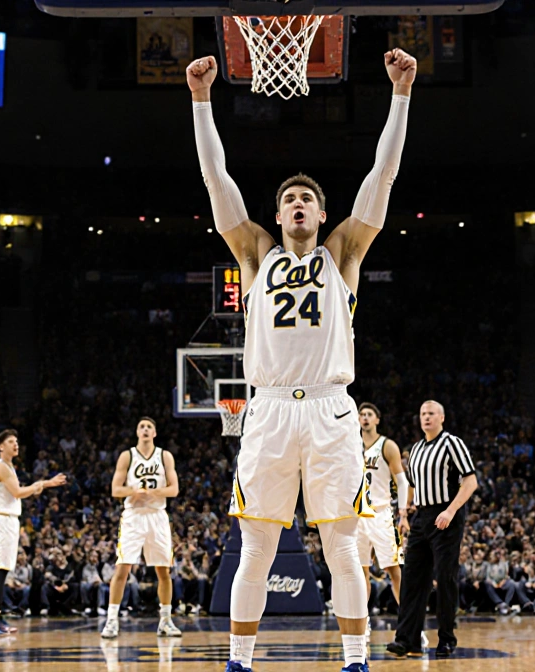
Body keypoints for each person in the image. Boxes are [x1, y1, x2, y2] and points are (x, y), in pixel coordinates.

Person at [187, 45, 417, 672]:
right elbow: (217, 182)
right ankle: (239, 661)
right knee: (255, 546)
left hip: (329, 409)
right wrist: (201, 103)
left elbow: (382, 178)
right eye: (287, 197)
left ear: (320, 214)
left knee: (343, 547)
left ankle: (355, 661)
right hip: (266, 411)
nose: (295, 204)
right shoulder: (256, 254)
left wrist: (400, 96)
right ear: (279, 213)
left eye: (305, 199)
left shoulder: (342, 255)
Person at [387, 401, 478, 659]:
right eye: (422, 414)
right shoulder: (415, 449)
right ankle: (407, 640)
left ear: (442, 417)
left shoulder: (452, 443)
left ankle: (447, 639)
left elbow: (471, 482)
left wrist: (450, 511)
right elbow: (413, 487)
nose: (426, 417)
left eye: (431, 414)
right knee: (412, 580)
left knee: (446, 579)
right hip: (421, 518)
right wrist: (404, 514)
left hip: (446, 516)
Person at [101, 417, 182, 639]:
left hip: (157, 516)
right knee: (122, 569)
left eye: (149, 427)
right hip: (133, 517)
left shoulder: (165, 456)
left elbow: (174, 489)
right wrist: (133, 492)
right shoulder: (127, 456)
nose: (145, 430)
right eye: (141, 427)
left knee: (163, 572)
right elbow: (116, 490)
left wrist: (152, 493)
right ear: (137, 432)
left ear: (154, 433)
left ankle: (165, 620)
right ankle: (111, 621)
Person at [0, 429, 66, 636]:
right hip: (2, 519)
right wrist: (41, 484)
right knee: (1, 571)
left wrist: (46, 483)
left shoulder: (10, 467)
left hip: (10, 520)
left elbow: (24, 491)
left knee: (4, 570)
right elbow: (19, 492)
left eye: (17, 441)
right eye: (11, 441)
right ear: (1, 446)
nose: (16, 444)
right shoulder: (1, 467)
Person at [356, 403, 409, 626]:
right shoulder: (350, 445)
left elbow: (402, 481)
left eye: (369, 415)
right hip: (356, 515)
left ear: (377, 419)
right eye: (362, 414)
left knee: (394, 570)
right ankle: (361, 627)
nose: (365, 418)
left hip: (381, 514)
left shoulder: (387, 446)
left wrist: (403, 512)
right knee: (359, 575)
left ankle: (410, 625)